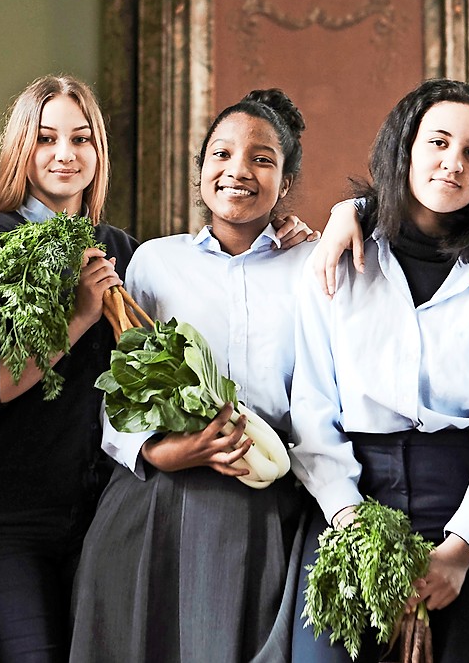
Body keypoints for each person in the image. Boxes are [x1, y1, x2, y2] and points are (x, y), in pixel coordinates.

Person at [290, 78, 469, 663]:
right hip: (353, 500)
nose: (452, 163)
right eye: (438, 142)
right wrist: (352, 524)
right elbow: (313, 411)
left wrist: (460, 550)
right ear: (405, 149)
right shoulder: (339, 260)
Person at [69, 88, 315, 663]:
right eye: (221, 154)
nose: (238, 171)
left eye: (262, 158)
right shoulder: (156, 260)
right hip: (154, 496)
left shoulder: (314, 263)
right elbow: (122, 381)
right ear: (201, 169)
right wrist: (157, 453)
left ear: (285, 179)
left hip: (265, 502)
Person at [0, 75, 136, 661]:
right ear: (20, 150)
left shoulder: (123, 249)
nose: (64, 154)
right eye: (46, 138)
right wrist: (80, 316)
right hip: (8, 516)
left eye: (81, 139)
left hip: (103, 515)